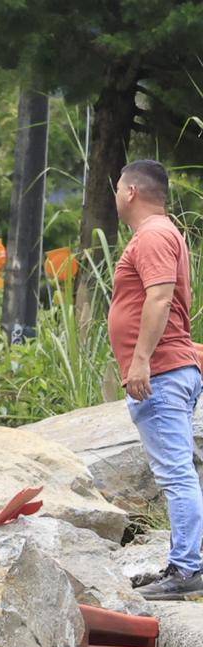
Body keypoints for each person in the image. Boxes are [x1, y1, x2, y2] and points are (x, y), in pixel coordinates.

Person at [108, 159, 203, 600]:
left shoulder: (153, 236)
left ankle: (187, 570)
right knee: (175, 472)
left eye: (117, 190)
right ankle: (180, 564)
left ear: (130, 192)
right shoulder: (164, 236)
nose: (115, 197)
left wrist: (141, 359)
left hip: (162, 371)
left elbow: (161, 296)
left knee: (176, 475)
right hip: (166, 369)